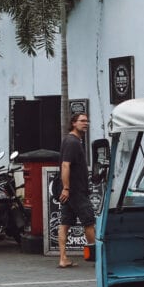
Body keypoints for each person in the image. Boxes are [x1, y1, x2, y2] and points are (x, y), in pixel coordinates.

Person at [58, 112, 95, 268]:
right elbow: (65, 165)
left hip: (72, 191)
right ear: (73, 123)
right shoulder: (72, 142)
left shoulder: (72, 141)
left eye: (87, 121)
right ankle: (96, 257)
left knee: (65, 223)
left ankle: (63, 258)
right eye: (82, 121)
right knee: (89, 221)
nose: (85, 123)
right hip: (76, 191)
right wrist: (67, 188)